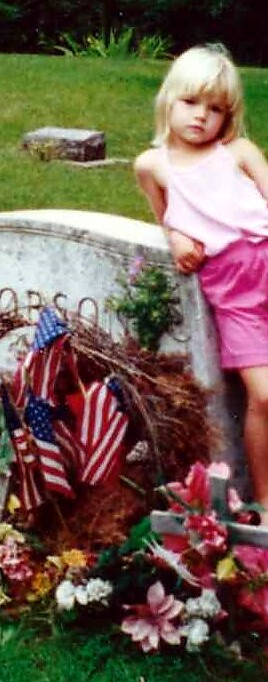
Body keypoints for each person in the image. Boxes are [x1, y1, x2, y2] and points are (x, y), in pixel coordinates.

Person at [134, 44, 268, 523]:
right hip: (234, 290)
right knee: (264, 395)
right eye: (191, 102)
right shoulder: (153, 165)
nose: (201, 116)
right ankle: (264, 502)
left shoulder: (238, 153)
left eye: (215, 109)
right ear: (168, 100)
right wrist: (176, 237)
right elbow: (165, 217)